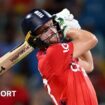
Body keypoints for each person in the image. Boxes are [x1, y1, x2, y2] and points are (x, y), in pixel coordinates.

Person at [21, 9, 98, 105]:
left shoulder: (60, 54)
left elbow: (88, 65)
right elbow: (91, 39)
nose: (52, 31)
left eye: (52, 24)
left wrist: (77, 31)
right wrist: (67, 29)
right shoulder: (52, 53)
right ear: (35, 39)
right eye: (45, 30)